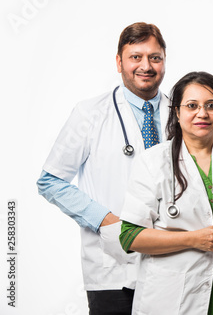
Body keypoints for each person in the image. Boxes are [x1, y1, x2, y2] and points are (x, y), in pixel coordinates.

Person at [36, 22, 169, 314]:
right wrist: (106, 221)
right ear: (119, 62)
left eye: (155, 57)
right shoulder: (90, 113)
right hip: (112, 268)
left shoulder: (183, 113)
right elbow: (50, 180)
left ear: (163, 62)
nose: (146, 65)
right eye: (136, 57)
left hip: (174, 266)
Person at [119, 71, 213, 315]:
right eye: (192, 106)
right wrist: (193, 239)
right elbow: (129, 237)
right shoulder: (152, 161)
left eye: (212, 105)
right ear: (177, 112)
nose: (202, 113)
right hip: (169, 297)